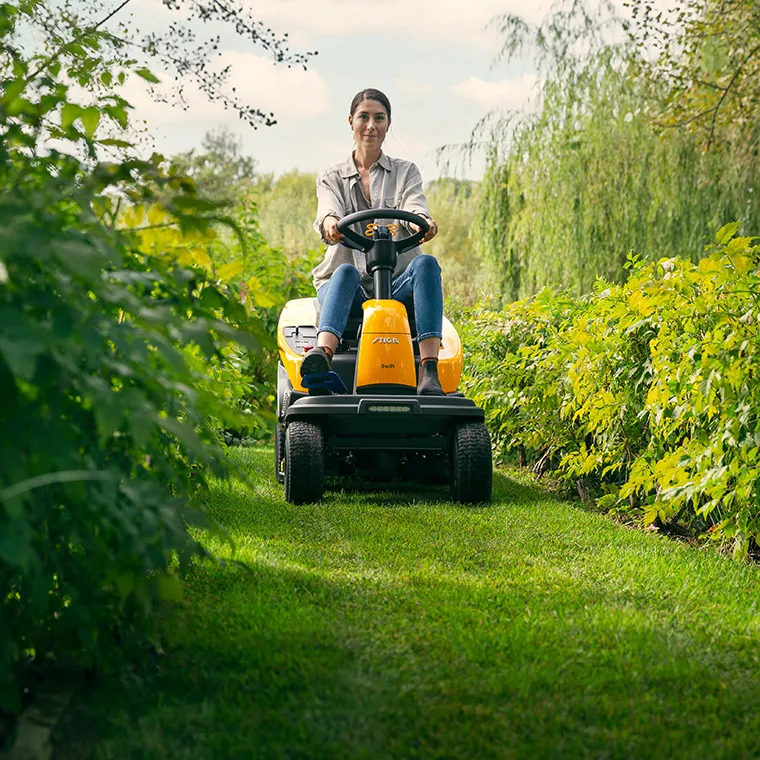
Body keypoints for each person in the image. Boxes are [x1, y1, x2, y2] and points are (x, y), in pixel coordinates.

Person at [302, 87, 446, 396]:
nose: (371, 125)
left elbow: (414, 205)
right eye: (364, 117)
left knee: (427, 264)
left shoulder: (406, 172)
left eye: (379, 118)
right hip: (347, 288)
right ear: (351, 121)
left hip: (395, 287)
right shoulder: (331, 176)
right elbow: (328, 211)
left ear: (388, 124)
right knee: (345, 272)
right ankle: (322, 355)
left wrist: (421, 220)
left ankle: (429, 369)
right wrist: (330, 225)